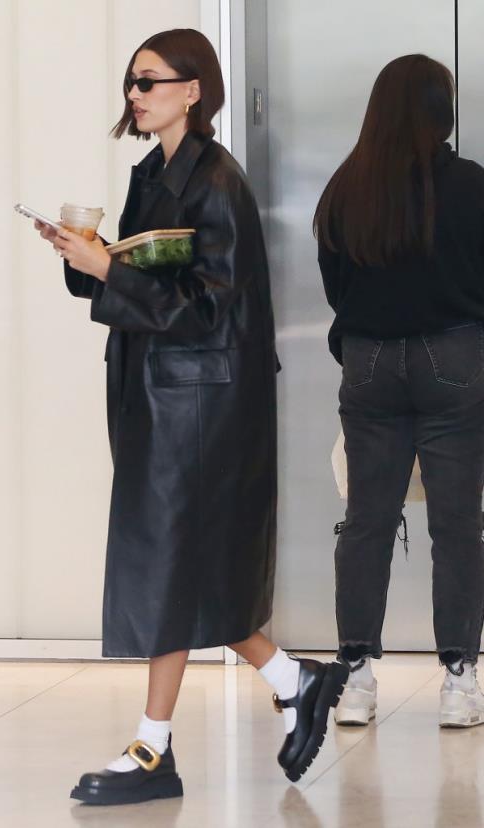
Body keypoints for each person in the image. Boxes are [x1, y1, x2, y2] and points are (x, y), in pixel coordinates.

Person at [35, 28, 347, 805]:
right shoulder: (157, 173)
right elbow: (149, 276)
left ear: (193, 88)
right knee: (173, 565)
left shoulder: (218, 182)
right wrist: (89, 256)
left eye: (148, 81)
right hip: (165, 399)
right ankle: (271, 687)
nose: (135, 95)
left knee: (171, 562)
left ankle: (163, 741)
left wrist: (108, 267)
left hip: (201, 405)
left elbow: (209, 308)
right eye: (131, 84)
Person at [315, 53, 484, 728]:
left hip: (369, 363)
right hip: (455, 358)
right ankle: (458, 682)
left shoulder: (346, 189)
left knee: (367, 524)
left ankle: (355, 681)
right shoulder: (472, 185)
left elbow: (336, 288)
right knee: (456, 525)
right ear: (441, 112)